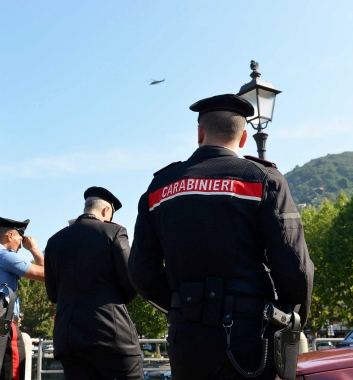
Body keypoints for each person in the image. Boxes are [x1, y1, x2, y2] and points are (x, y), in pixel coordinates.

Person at [128, 94, 314, 380]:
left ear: (200, 133)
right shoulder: (263, 179)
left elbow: (141, 272)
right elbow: (294, 266)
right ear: (243, 139)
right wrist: (290, 315)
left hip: (185, 337)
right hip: (250, 336)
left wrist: (184, 304)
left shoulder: (159, 187)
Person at [44, 187, 143, 380]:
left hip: (69, 338)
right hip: (110, 334)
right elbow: (131, 281)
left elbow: (53, 294)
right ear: (106, 211)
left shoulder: (54, 240)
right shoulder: (114, 231)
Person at [0, 217, 45, 380]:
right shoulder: (5, 256)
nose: (21, 243)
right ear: (10, 235)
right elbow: (47, 274)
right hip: (4, 328)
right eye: (20, 238)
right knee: (12, 374)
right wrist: (34, 249)